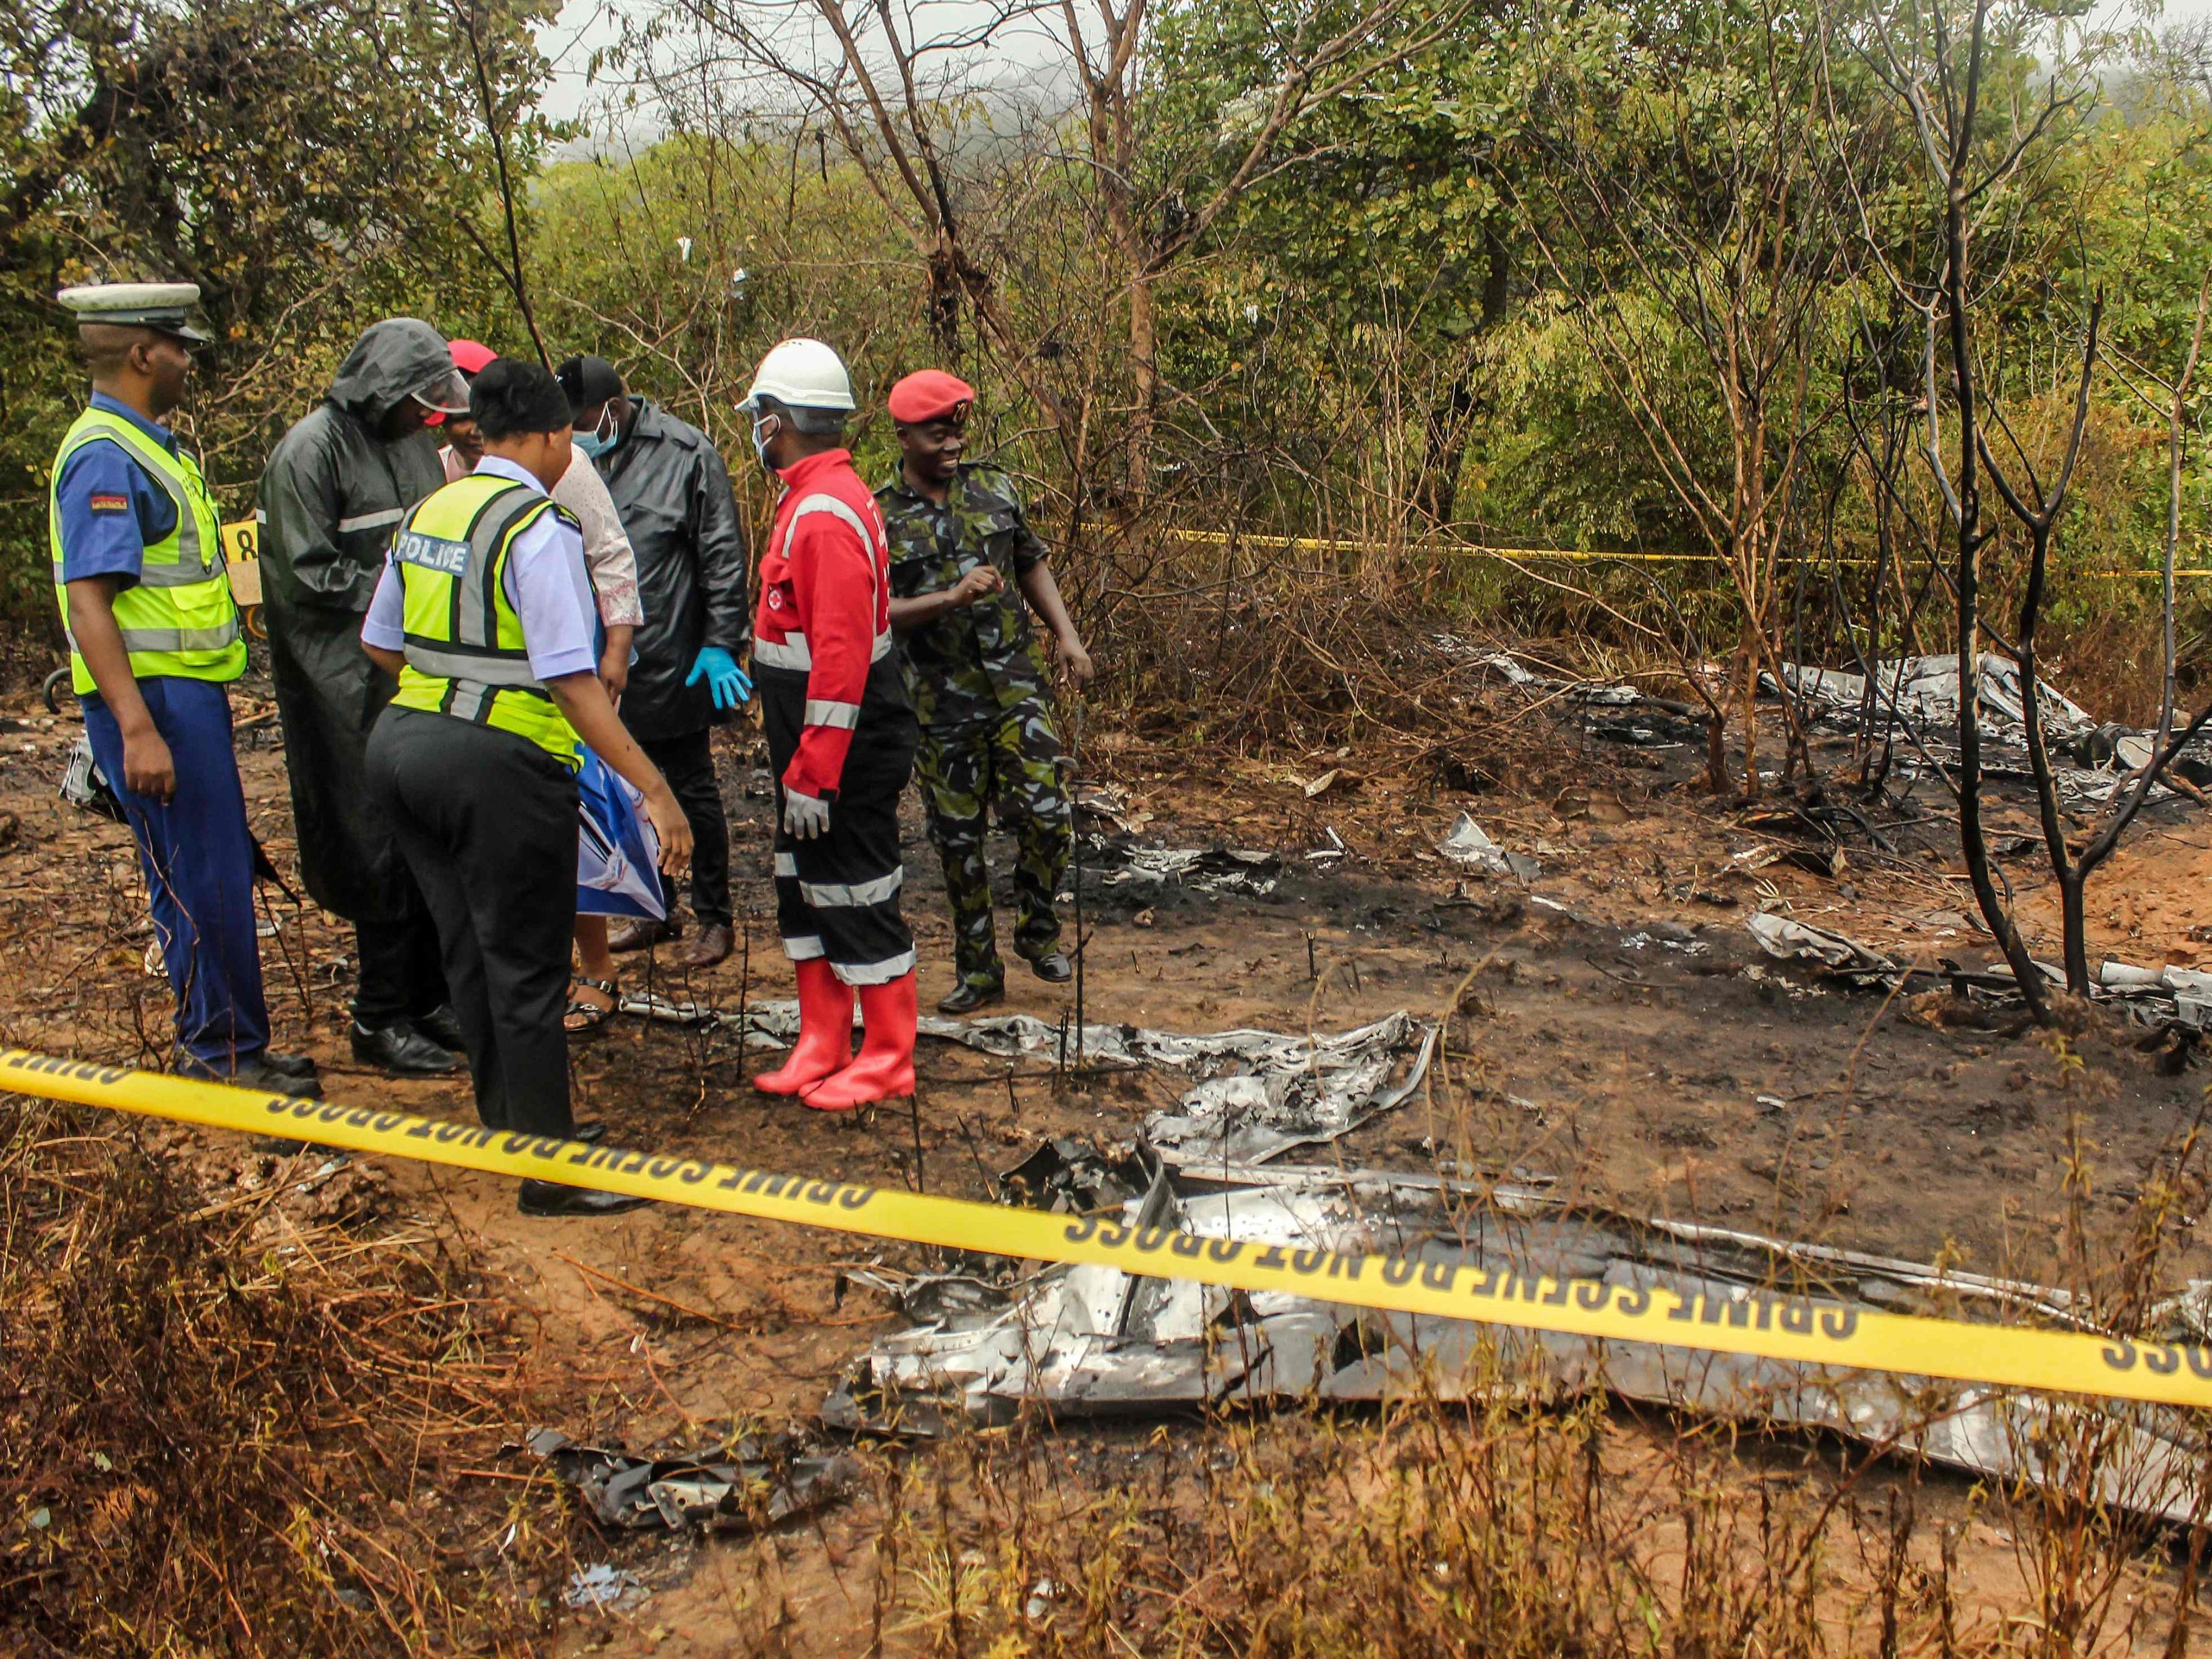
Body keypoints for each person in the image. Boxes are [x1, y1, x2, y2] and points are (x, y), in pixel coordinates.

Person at [361, 359, 692, 1217]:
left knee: (466, 948)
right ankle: (553, 1169)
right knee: (527, 963)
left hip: (401, 750)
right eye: (568, 440)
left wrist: (445, 694)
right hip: (495, 769)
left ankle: (508, 1120)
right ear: (550, 436)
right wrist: (654, 788)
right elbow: (573, 682)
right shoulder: (536, 527)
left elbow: (379, 641)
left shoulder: (431, 509)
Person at [48, 282, 315, 1097]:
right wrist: (135, 727)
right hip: (155, 699)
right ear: (141, 355)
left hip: (184, 693)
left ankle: (229, 1040)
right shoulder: (104, 455)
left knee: (208, 867)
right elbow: (90, 600)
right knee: (202, 874)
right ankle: (223, 1053)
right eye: (179, 346)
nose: (189, 360)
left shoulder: (149, 445)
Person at [257, 319, 474, 1078]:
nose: (428, 417)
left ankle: (429, 997)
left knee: (426, 829)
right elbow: (304, 577)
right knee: (373, 837)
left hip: (411, 670)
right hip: (341, 681)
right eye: (417, 401)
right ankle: (380, 1014)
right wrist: (397, 601)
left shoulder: (413, 444)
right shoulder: (308, 453)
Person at [436, 341, 645, 1033]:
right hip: (478, 680)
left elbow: (610, 555)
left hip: (559, 661)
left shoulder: (567, 470)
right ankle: (519, 979)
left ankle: (595, 969)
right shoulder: (440, 474)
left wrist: (615, 648)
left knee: (575, 817)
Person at [878, 369, 1093, 1014]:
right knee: (959, 844)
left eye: (958, 432)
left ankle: (1036, 927)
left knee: (1051, 819)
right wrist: (949, 596)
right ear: (904, 435)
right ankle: (978, 971)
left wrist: (1068, 637)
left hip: (1015, 687)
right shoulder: (878, 514)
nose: (952, 445)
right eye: (938, 434)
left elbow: (1030, 562)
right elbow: (872, 611)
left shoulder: (993, 486)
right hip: (940, 704)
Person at [743, 338, 921, 1112]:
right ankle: (824, 1038)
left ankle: (887, 1054)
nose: (757, 429)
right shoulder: (814, 493)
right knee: (807, 884)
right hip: (812, 741)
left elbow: (842, 659)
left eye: (760, 417)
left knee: (855, 887)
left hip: (841, 743)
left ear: (780, 419)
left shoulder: (823, 513)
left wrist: (815, 772)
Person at [555, 354, 750, 970]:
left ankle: (716, 918)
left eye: (584, 420)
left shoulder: (688, 454)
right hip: (597, 659)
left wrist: (722, 641)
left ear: (614, 409)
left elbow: (722, 555)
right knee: (622, 791)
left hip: (674, 656)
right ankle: (653, 909)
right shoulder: (566, 458)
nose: (578, 432)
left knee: (688, 787)